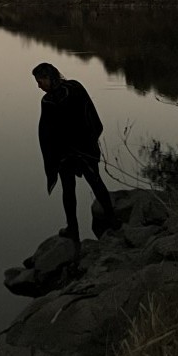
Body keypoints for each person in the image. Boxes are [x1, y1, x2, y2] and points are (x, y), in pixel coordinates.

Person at [33, 62, 116, 240]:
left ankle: (83, 227)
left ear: (49, 77)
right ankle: (90, 225)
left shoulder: (67, 92)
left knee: (87, 185)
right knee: (77, 187)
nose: (38, 86)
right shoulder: (59, 95)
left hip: (77, 151)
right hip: (71, 152)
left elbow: (87, 115)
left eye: (40, 81)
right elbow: (48, 132)